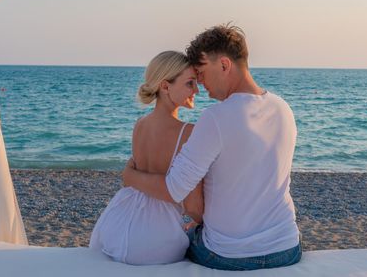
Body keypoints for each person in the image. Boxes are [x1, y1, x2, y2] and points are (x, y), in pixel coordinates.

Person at [122, 24, 301, 271]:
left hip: (229, 255)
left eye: (202, 72)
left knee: (183, 234)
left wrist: (130, 176)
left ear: (225, 65)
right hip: (286, 249)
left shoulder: (216, 118)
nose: (200, 83)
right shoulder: (283, 108)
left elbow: (175, 189)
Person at [89, 51, 203, 265]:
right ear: (165, 86)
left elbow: (132, 177)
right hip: (157, 235)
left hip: (118, 220)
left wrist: (130, 175)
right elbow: (194, 206)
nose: (197, 90)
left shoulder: (140, 124)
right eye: (190, 83)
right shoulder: (189, 132)